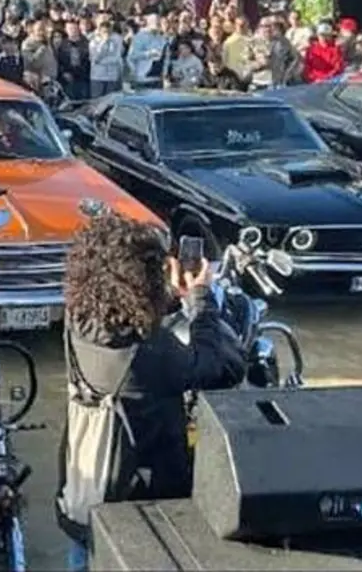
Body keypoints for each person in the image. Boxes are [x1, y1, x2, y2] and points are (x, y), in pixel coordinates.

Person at [55, 213, 245, 571]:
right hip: (137, 500)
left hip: (84, 486)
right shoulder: (148, 355)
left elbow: (127, 315)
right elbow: (221, 368)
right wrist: (201, 298)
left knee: (82, 558)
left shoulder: (78, 317)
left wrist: (171, 296)